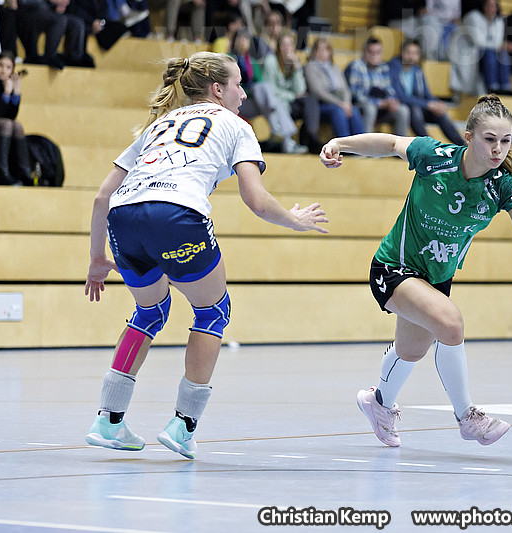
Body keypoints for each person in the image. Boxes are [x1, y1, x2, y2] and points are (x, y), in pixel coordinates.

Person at [83, 51, 329, 459]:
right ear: (217, 89)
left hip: (123, 218)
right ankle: (183, 426)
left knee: (149, 312)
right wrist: (295, 220)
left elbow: (101, 197)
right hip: (177, 215)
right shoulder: (236, 125)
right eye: (238, 84)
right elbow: (256, 200)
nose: (243, 94)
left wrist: (96, 259)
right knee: (213, 312)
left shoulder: (159, 124)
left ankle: (108, 420)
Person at [319, 94, 512, 447]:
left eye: (505, 140)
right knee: (451, 323)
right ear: (469, 137)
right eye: (489, 139)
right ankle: (467, 417)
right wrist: (340, 143)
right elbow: (391, 143)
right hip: (394, 268)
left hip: (436, 280)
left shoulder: (502, 186)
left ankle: (378, 403)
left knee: (411, 351)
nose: (498, 149)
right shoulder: (434, 156)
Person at [231, 28, 308, 153]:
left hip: (257, 102)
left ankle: (284, 140)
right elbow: (263, 87)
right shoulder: (229, 59)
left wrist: (297, 68)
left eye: (246, 39)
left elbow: (300, 91)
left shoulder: (252, 61)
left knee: (269, 97)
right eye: (239, 38)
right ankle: (284, 137)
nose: (242, 42)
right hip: (237, 101)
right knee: (262, 90)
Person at [388, 39, 465, 145]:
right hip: (404, 108)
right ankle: (429, 145)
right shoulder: (393, 68)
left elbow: (426, 94)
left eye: (415, 53)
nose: (411, 57)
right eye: (408, 52)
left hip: (419, 107)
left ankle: (463, 145)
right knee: (415, 110)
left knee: (440, 113)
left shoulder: (417, 70)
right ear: (402, 52)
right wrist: (428, 105)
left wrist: (436, 103)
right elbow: (401, 97)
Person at [449, 0, 512, 97]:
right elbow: (478, 41)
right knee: (490, 54)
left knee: (503, 54)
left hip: (483, 52)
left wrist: (500, 45)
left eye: (493, 6)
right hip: (467, 52)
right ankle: (492, 87)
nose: (490, 8)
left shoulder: (498, 21)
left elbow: (497, 42)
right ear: (483, 6)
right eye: (488, 5)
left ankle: (506, 88)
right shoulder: (473, 17)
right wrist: (500, 45)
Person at [262, 31, 321, 153]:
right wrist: (292, 95)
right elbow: (270, 90)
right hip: (276, 102)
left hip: (290, 102)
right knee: (290, 103)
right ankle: (305, 140)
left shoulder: (294, 62)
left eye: (290, 44)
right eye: (284, 45)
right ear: (278, 47)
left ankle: (311, 137)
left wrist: (297, 67)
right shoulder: (270, 61)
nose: (287, 48)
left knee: (311, 100)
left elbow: (300, 90)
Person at [345, 37, 410, 136]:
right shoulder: (356, 66)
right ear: (364, 53)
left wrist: (391, 101)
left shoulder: (384, 67)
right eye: (371, 52)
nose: (374, 56)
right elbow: (356, 96)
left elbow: (390, 90)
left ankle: (400, 145)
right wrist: (380, 103)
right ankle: (365, 144)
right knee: (370, 109)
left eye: (378, 52)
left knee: (403, 110)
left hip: (382, 107)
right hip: (361, 107)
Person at [304, 37, 365, 139]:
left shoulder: (335, 68)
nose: (322, 53)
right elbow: (317, 91)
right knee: (339, 111)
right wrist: (340, 104)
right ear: (314, 52)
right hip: (322, 104)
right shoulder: (310, 67)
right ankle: (344, 145)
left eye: (325, 49)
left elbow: (346, 89)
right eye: (319, 49)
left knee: (354, 110)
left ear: (330, 52)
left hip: (340, 103)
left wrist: (346, 103)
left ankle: (362, 145)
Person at [0, 51, 32, 186]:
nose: (3, 70)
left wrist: (16, 92)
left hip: (1, 124)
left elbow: (11, 116)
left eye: (8, 67)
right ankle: (2, 172)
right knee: (6, 124)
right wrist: (6, 93)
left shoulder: (7, 83)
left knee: (17, 125)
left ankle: (24, 172)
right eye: (0, 65)